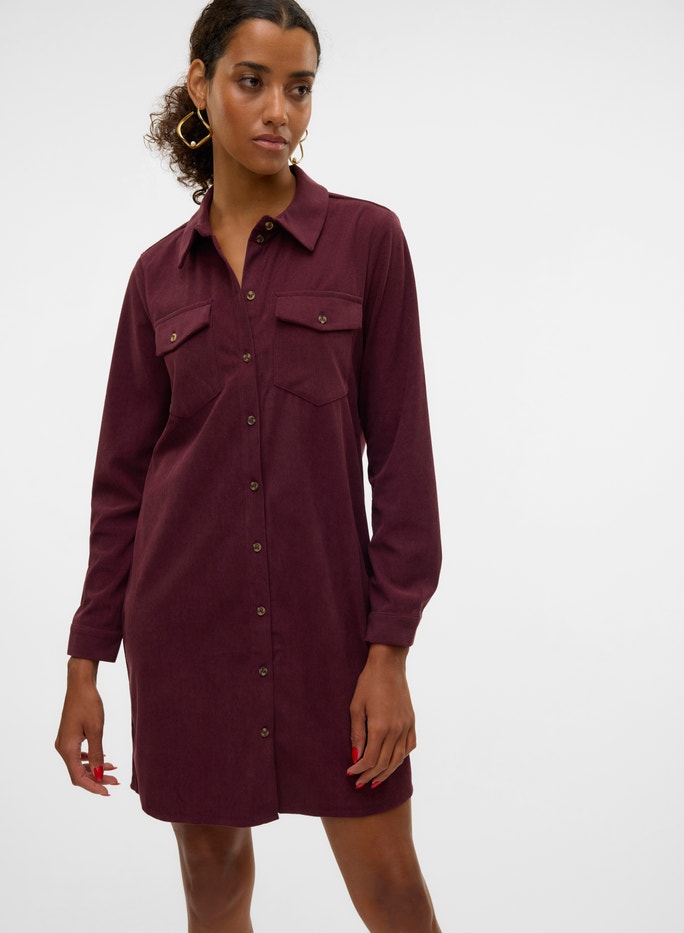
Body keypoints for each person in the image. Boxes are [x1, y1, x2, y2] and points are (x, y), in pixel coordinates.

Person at [55, 1, 442, 930]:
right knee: (213, 880)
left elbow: (404, 461)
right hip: (185, 632)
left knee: (391, 887)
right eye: (252, 81)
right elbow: (121, 482)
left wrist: (389, 650)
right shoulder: (157, 277)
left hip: (332, 632)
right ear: (201, 84)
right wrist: (85, 661)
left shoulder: (368, 241)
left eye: (299, 88)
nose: (280, 110)